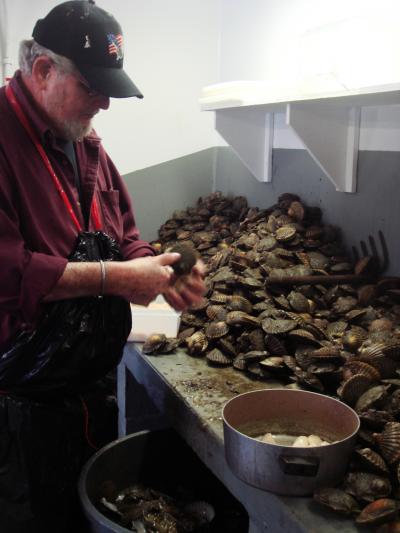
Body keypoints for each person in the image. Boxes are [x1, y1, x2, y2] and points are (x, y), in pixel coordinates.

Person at [0, 1, 205, 531]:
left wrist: (158, 269)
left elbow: (123, 237)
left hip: (85, 389)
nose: (104, 105)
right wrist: (116, 279)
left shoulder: (85, 143)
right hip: (17, 407)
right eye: (93, 87)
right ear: (43, 70)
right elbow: (9, 272)